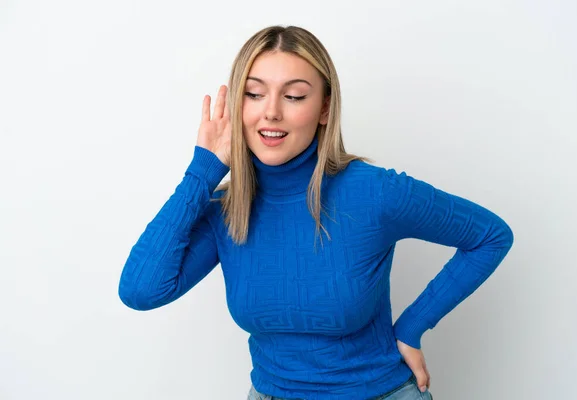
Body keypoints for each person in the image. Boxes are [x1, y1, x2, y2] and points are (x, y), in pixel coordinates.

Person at [118, 25, 514, 400]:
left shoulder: (374, 192)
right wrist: (203, 171)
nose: (271, 112)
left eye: (293, 96)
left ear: (324, 109)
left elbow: (489, 236)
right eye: (254, 94)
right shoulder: (228, 209)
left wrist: (412, 326)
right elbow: (140, 291)